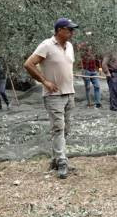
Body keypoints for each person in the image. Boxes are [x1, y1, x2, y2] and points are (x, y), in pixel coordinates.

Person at [24, 18, 78, 179]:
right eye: (69, 29)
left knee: (66, 128)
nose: (72, 33)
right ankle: (62, 161)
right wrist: (44, 81)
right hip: (53, 95)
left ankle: (56, 159)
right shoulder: (47, 45)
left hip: (69, 93)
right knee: (58, 128)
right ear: (60, 30)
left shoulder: (69, 46)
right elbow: (29, 64)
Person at [78, 34, 103, 108]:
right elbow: (78, 47)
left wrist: (100, 68)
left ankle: (98, 103)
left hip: (94, 70)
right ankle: (89, 103)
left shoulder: (94, 49)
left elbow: (98, 59)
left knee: (97, 86)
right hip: (86, 70)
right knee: (88, 87)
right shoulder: (83, 48)